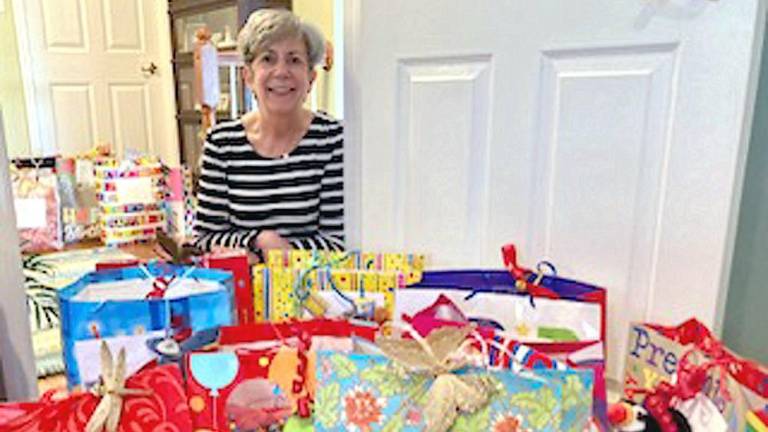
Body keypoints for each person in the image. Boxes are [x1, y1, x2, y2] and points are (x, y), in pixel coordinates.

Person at [192, 9, 344, 260]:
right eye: (268, 59)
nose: (281, 71)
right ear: (248, 76)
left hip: (314, 287)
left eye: (294, 60)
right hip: (241, 290)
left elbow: (338, 242)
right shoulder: (221, 144)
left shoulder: (332, 139)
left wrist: (276, 255)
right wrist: (258, 240)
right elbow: (204, 239)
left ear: (311, 78)